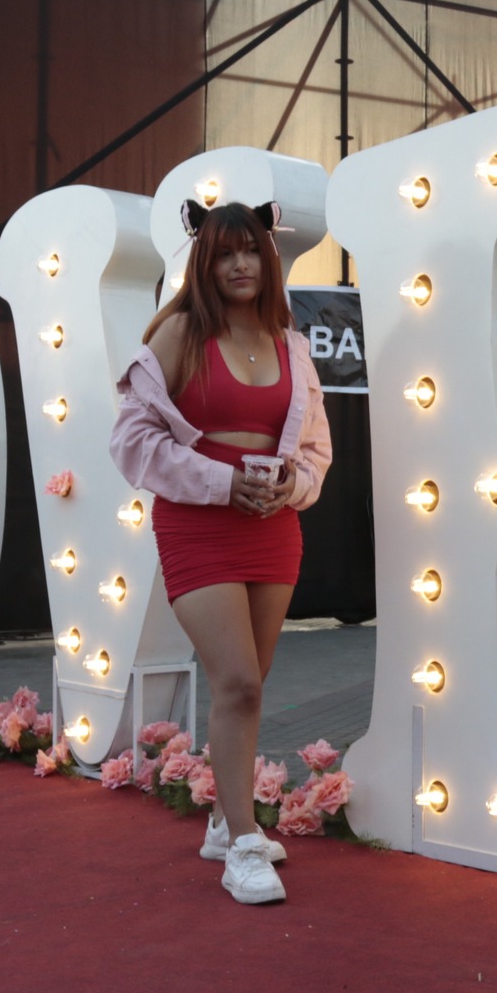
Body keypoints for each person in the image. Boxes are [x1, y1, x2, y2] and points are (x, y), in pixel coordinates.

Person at [109, 200, 332, 906]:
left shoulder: (289, 343)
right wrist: (221, 482)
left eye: (251, 252)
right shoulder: (179, 333)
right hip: (197, 525)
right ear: (204, 262)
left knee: (253, 683)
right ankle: (241, 845)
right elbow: (131, 443)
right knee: (236, 681)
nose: (240, 264)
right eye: (225, 252)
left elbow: (317, 450)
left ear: (267, 261)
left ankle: (219, 818)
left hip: (272, 526)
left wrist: (292, 482)